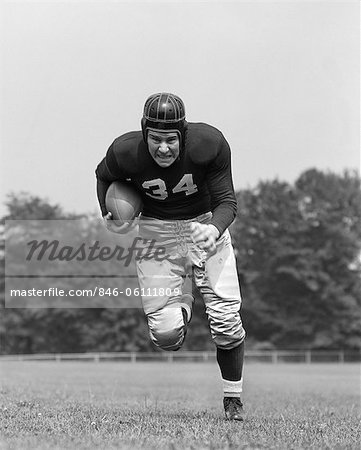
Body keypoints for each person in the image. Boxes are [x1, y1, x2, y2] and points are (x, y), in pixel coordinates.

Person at [95, 92, 246, 421]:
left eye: (171, 140)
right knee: (165, 336)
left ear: (184, 135)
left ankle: (233, 398)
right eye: (156, 140)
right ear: (144, 133)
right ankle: (183, 299)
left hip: (203, 225)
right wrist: (114, 217)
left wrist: (215, 229)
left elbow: (227, 202)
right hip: (155, 233)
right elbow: (104, 175)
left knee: (226, 321)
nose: (163, 148)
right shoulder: (125, 151)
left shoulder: (209, 144)